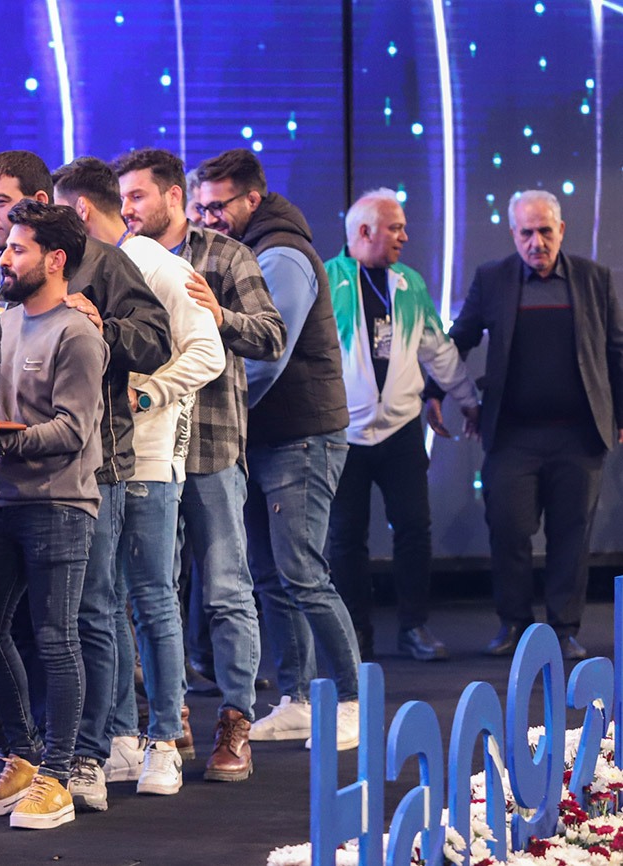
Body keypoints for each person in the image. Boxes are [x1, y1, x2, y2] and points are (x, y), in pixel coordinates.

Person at [53, 157, 225, 794]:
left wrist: (149, 394)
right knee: (105, 601)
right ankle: (123, 736)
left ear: (77, 211)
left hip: (151, 457)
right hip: (102, 457)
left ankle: (165, 742)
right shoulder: (97, 265)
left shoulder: (157, 264)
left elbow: (208, 351)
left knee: (152, 597)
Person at [114, 147, 285, 782]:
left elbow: (272, 335)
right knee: (150, 591)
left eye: (137, 196)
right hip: (146, 452)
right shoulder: (122, 262)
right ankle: (170, 715)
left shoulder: (226, 255)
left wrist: (219, 316)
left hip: (211, 447)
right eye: (122, 198)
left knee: (224, 589)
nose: (127, 209)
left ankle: (236, 719)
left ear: (173, 196)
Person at [191, 148, 360, 751]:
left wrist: (215, 410)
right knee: (270, 575)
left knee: (303, 573)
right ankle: (297, 698)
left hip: (301, 436)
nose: (207, 217)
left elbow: (267, 355)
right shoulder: (248, 249)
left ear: (252, 199)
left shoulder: (282, 252)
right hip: (265, 437)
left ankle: (352, 701)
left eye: (218, 206)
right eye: (201, 207)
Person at [0, 201, 106, 829]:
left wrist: (1, 440)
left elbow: (74, 430)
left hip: (59, 505)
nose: (4, 257)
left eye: (18, 249)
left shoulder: (78, 333)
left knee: (55, 638)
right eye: (6, 247)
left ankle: (59, 775)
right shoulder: (1, 321)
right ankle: (24, 756)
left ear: (55, 260)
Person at [442, 190, 622, 660]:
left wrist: (621, 415)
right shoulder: (492, 278)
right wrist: (433, 394)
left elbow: (616, 351)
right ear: (513, 233)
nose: (536, 242)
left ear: (561, 230)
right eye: (526, 233)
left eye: (545, 231)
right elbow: (458, 339)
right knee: (508, 531)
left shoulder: (595, 279)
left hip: (579, 436)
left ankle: (563, 629)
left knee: (571, 536)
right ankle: (515, 626)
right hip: (512, 436)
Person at [324, 189, 479, 663]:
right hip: (342, 435)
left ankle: (414, 627)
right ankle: (356, 635)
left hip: (402, 431)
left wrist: (469, 401)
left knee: (414, 528)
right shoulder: (327, 280)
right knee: (345, 539)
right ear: (364, 231)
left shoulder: (409, 283)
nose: (405, 237)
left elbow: (438, 349)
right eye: (396, 228)